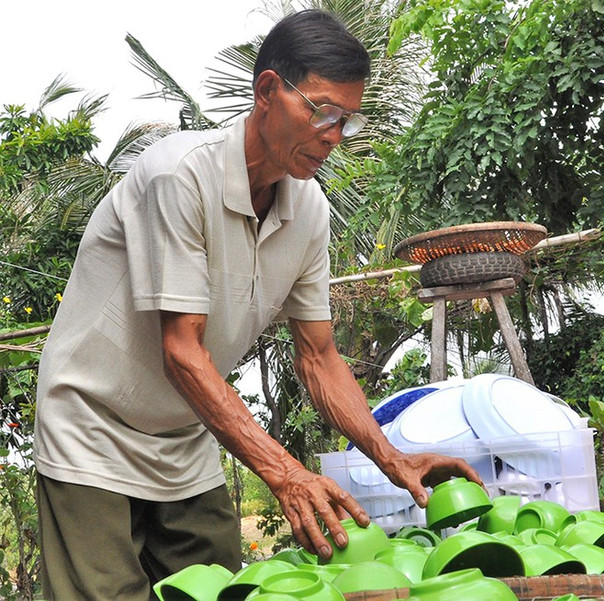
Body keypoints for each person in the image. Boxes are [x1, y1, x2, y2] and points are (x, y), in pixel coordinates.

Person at [33, 9, 480, 600]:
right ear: (267, 90)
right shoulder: (179, 177)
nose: (335, 134)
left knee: (223, 590)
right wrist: (286, 473)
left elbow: (319, 357)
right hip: (91, 427)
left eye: (347, 118)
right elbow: (181, 350)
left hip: (187, 436)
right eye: (321, 110)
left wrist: (391, 458)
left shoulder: (310, 212)